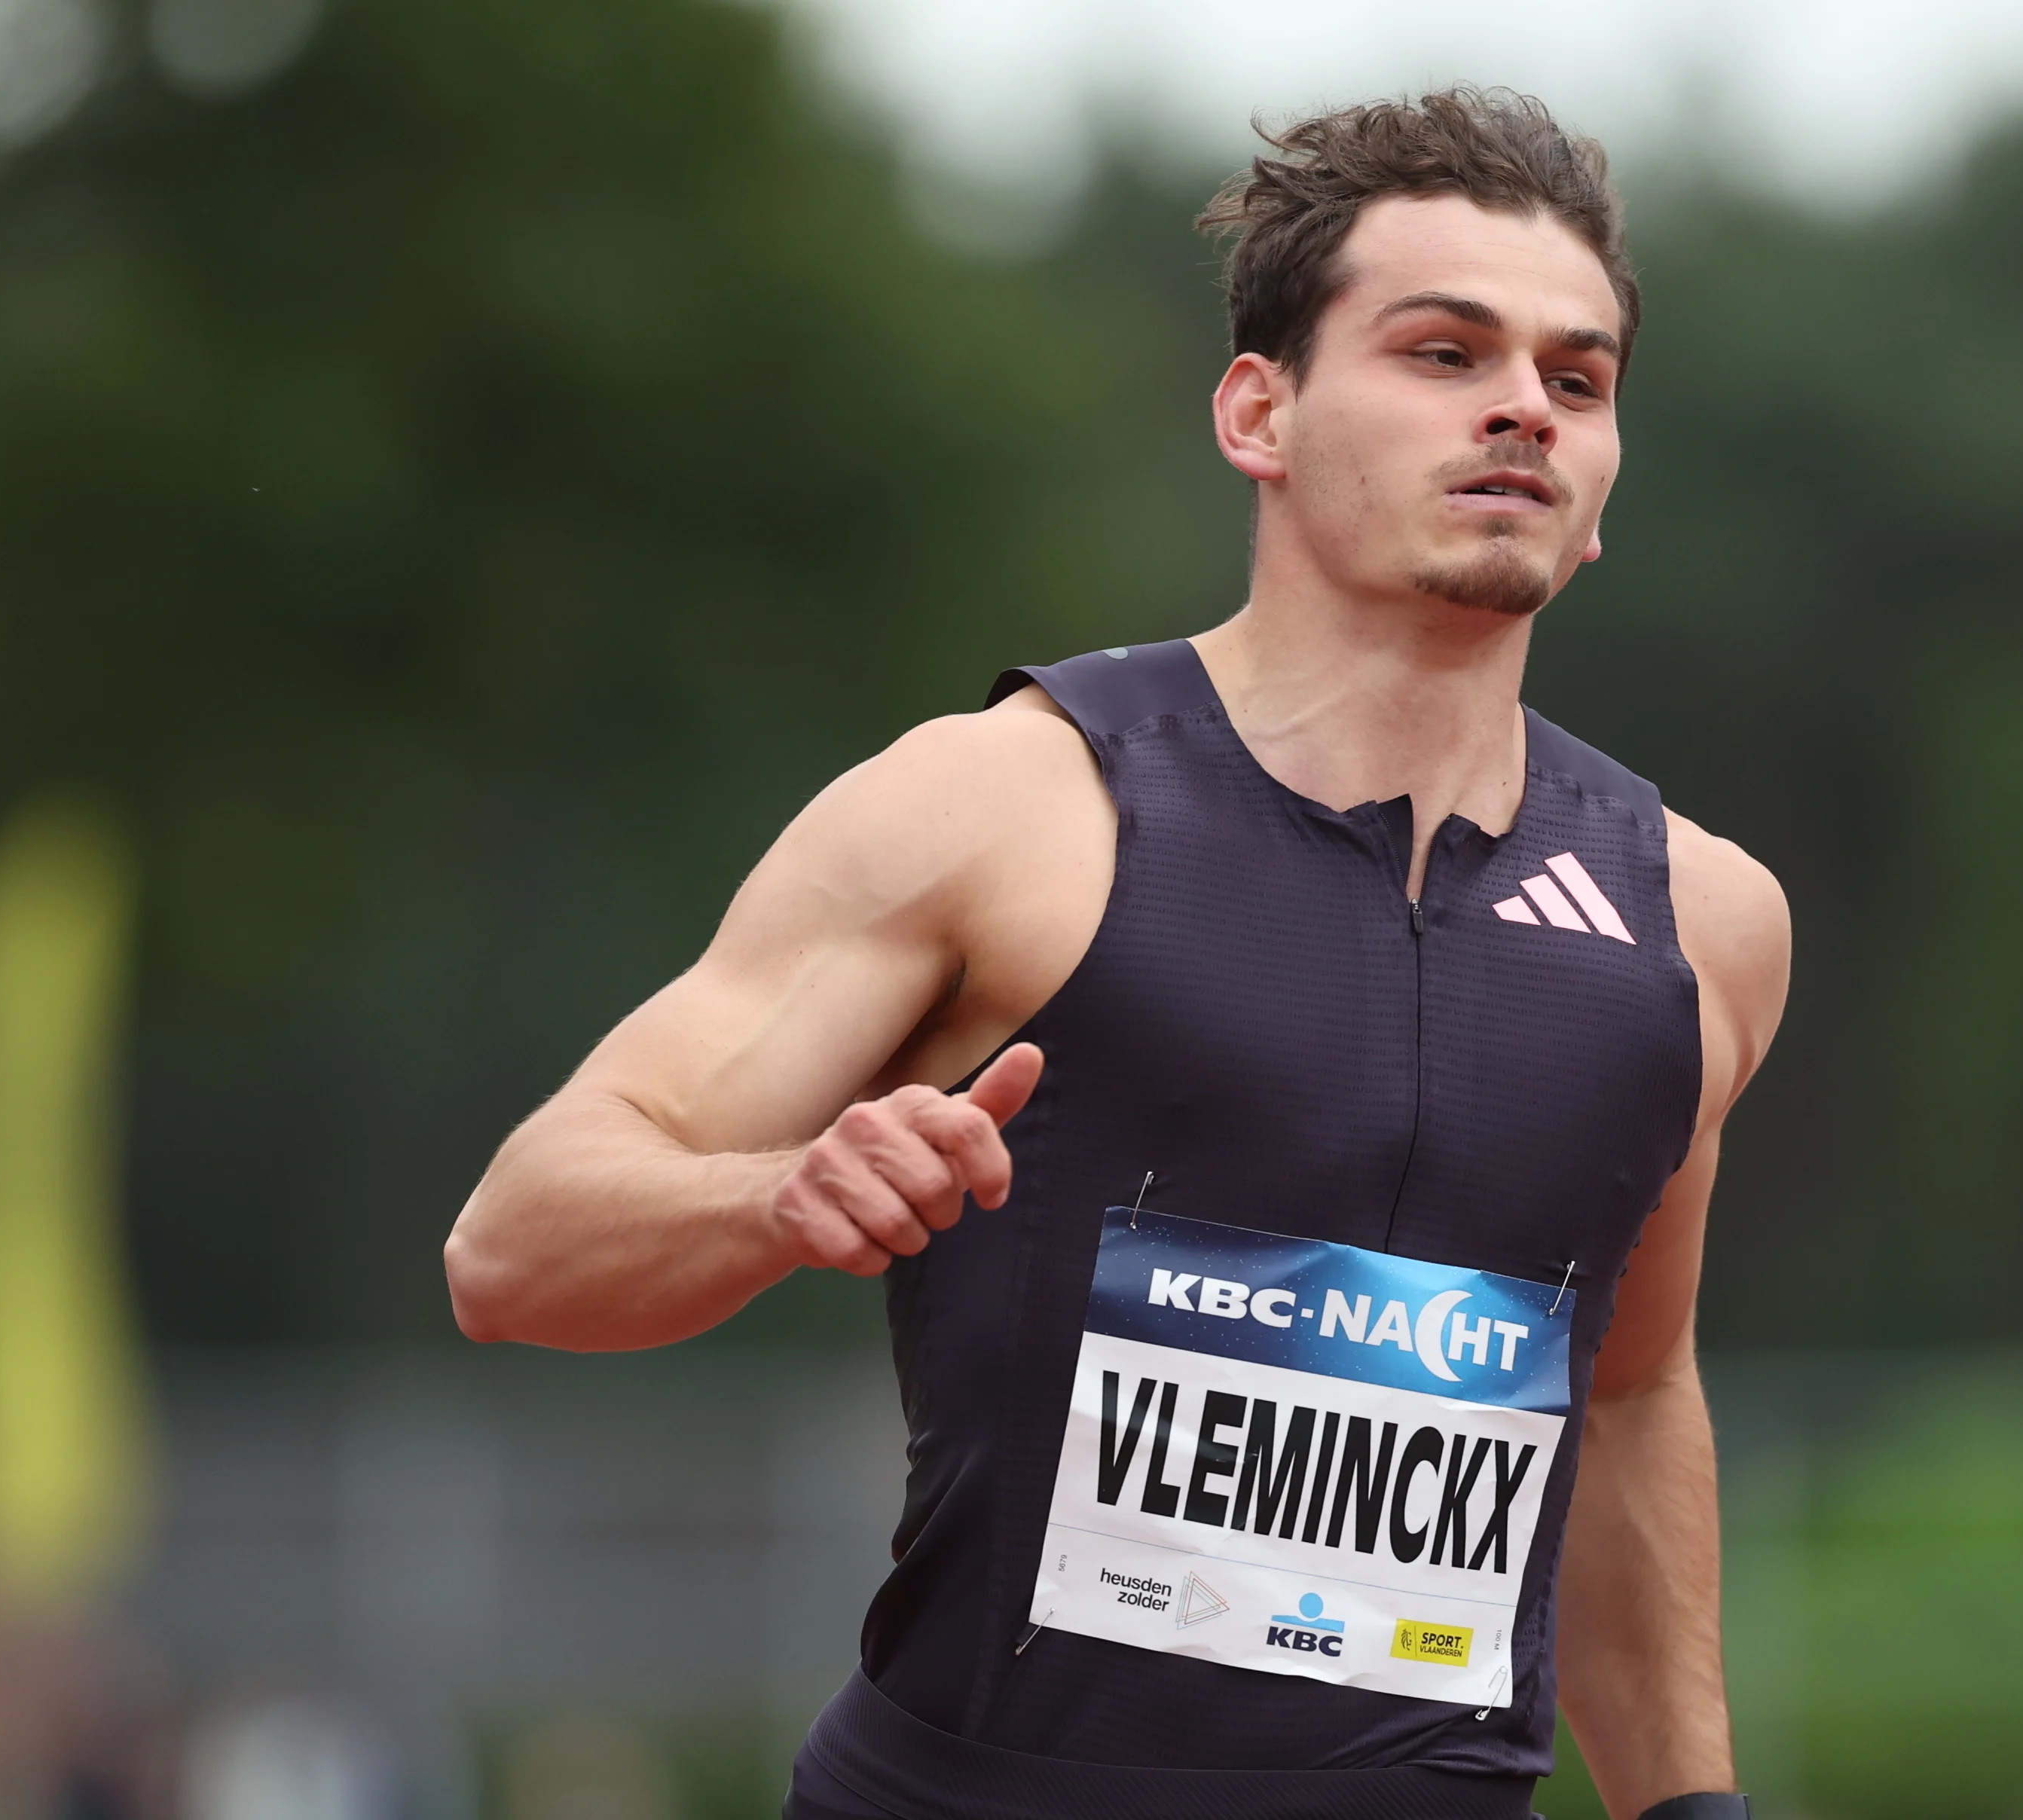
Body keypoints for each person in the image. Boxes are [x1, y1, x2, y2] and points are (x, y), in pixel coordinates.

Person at [445, 86, 1789, 1820]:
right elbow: (514, 1245)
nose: (1521, 406)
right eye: (1443, 352)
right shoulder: (1004, 807)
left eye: (1575, 378)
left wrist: (1691, 1809)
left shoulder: (1697, 923)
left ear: (1602, 487)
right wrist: (778, 1193)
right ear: (1259, 411)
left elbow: (1622, 1393)